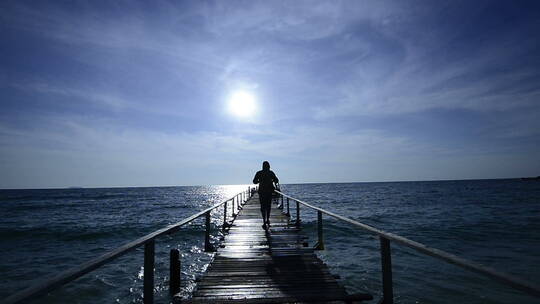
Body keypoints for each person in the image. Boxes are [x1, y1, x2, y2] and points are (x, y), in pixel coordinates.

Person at [253, 161, 279, 230]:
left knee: (263, 207)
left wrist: (260, 181)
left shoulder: (259, 173)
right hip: (269, 192)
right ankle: (267, 219)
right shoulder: (270, 172)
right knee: (268, 206)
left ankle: (264, 221)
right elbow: (276, 180)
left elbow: (254, 181)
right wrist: (272, 180)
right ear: (268, 166)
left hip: (262, 192)